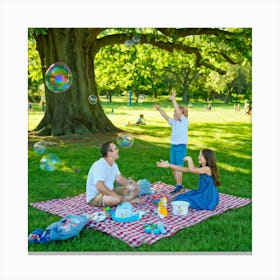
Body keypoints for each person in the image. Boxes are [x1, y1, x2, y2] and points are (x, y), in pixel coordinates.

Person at [156, 149, 220, 210]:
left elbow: (192, 169)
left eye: (201, 156)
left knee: (182, 201)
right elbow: (184, 169)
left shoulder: (207, 169)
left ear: (208, 158)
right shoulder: (202, 168)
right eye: (199, 155)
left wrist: (189, 159)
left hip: (207, 197)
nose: (199, 157)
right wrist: (169, 165)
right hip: (202, 192)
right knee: (180, 197)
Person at [86, 141, 142, 207]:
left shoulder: (114, 164)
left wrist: (131, 184)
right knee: (116, 199)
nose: (118, 150)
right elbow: (100, 187)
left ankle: (125, 199)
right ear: (109, 153)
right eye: (115, 149)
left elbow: (119, 178)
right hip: (96, 196)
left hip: (109, 191)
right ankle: (128, 200)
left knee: (133, 188)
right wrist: (115, 195)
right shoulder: (100, 165)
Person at [153, 89, 189, 194]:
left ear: (183, 115)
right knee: (173, 167)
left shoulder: (184, 121)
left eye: (178, 112)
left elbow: (177, 110)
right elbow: (165, 116)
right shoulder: (174, 122)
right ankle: (178, 185)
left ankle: (179, 186)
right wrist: (159, 109)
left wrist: (173, 99)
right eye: (174, 112)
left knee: (178, 168)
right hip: (173, 147)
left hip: (181, 147)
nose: (175, 113)